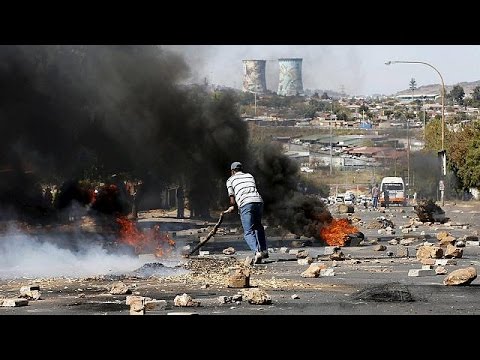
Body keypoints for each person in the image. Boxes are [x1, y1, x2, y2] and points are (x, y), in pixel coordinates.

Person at [224, 161, 268, 264]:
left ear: (232, 171)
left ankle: (257, 252)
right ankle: (264, 250)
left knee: (248, 231)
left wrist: (232, 207)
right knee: (258, 226)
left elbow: (232, 198)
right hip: (258, 201)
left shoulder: (230, 180)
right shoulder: (249, 176)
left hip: (245, 204)